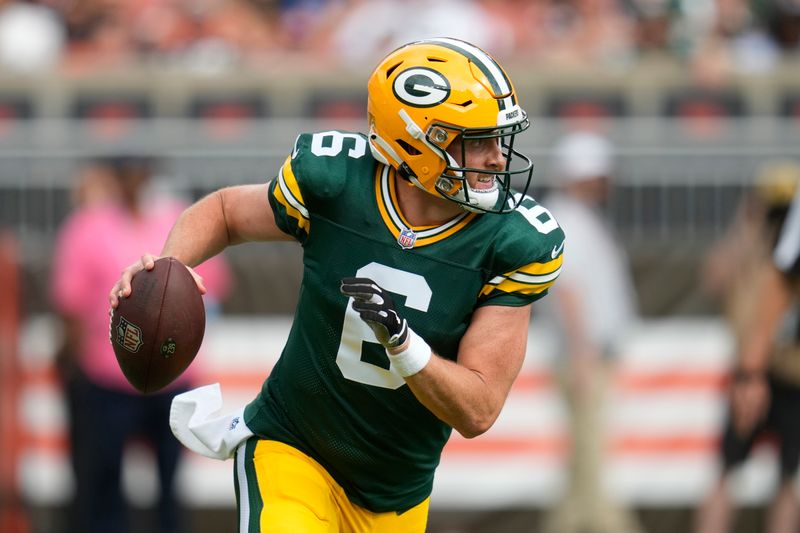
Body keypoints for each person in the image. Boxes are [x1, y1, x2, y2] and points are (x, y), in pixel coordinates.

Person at [109, 38, 565, 532]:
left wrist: (405, 345)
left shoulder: (512, 242)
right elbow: (222, 212)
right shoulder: (338, 183)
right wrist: (169, 268)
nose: (498, 159)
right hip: (293, 447)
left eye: (500, 140)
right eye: (477, 140)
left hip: (396, 492)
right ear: (418, 140)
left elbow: (478, 408)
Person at [52, 156, 231, 533]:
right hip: (106, 378)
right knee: (104, 484)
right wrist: (69, 362)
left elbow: (211, 289)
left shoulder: (176, 219)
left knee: (169, 487)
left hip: (173, 379)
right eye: (126, 174)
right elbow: (69, 303)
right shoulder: (88, 225)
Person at [540, 131, 642, 533]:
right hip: (586, 354)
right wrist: (582, 354)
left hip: (586, 353)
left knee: (583, 457)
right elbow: (567, 292)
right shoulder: (567, 217)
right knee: (590, 456)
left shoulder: (575, 215)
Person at [695, 159, 800, 533]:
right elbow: (714, 277)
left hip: (791, 375)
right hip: (750, 372)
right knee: (728, 468)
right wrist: (747, 224)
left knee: (789, 475)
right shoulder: (751, 256)